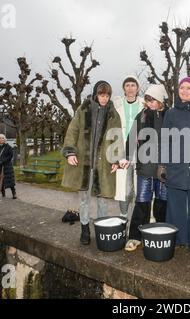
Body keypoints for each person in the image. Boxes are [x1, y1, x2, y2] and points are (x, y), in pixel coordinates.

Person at [62, 81, 123, 245]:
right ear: (96, 94)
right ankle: (85, 230)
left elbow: (117, 138)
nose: (105, 98)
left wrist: (116, 160)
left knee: (103, 199)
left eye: (107, 95)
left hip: (103, 165)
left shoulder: (113, 114)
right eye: (102, 95)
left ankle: (101, 230)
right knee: (84, 199)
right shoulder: (83, 109)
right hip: (84, 163)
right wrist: (69, 152)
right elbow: (72, 130)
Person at [161, 77, 190, 248]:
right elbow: (165, 140)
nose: (185, 91)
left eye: (189, 88)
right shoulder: (171, 113)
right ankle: (179, 240)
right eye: (182, 88)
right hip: (176, 168)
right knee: (176, 208)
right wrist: (163, 165)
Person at [123, 84, 169, 251]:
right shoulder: (140, 116)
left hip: (164, 169)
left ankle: (163, 234)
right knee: (142, 202)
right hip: (145, 168)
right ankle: (135, 236)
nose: (149, 103)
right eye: (147, 99)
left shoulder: (169, 115)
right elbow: (131, 138)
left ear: (160, 101)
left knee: (163, 203)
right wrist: (126, 157)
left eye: (153, 100)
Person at [113, 76, 145, 218]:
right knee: (124, 189)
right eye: (127, 85)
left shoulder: (144, 104)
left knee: (140, 189)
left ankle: (138, 221)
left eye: (133, 85)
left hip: (141, 151)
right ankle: (123, 218)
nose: (130, 88)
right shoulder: (117, 104)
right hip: (122, 151)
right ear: (124, 88)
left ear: (137, 88)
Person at [0, 134, 16, 198]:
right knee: (0, 181)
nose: (1, 139)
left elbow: (10, 156)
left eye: (3, 138)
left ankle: (14, 193)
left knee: (10, 181)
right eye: (0, 138)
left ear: (5, 139)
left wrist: (3, 161)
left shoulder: (8, 147)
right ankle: (3, 194)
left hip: (7, 166)